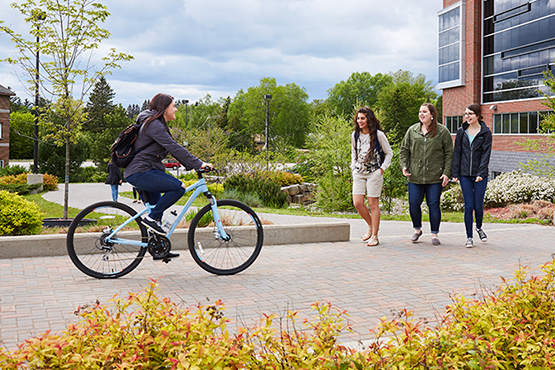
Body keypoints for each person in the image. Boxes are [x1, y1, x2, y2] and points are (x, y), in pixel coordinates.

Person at [124, 93, 212, 239]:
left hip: (143, 171)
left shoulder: (156, 125)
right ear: (164, 109)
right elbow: (174, 147)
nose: (176, 109)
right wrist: (199, 164)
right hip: (141, 171)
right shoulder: (154, 125)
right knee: (178, 188)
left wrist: (193, 164)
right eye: (174, 106)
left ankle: (158, 247)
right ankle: (152, 219)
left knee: (157, 210)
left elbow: (174, 150)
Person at [400, 103, 453, 245]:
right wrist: (404, 166)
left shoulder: (442, 131)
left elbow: (449, 154)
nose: (421, 114)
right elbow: (404, 150)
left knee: (433, 204)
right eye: (420, 112)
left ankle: (435, 234)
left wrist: (447, 173)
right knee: (413, 204)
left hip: (435, 176)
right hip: (415, 176)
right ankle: (417, 230)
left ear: (432, 115)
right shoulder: (412, 130)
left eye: (424, 112)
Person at [351, 107, 393, 247]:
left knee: (373, 204)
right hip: (359, 173)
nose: (360, 121)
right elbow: (353, 152)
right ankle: (370, 225)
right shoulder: (355, 135)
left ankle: (375, 235)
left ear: (369, 119)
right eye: (358, 118)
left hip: (374, 173)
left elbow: (389, 153)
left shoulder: (378, 135)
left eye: (362, 118)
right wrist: (353, 167)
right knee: (357, 203)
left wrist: (382, 169)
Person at [451, 104, 492, 248]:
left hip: (480, 175)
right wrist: (455, 173)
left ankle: (479, 228)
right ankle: (469, 237)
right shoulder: (462, 131)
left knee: (478, 206)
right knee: (468, 206)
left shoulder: (485, 133)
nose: (467, 116)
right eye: (465, 113)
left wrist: (481, 173)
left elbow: (485, 155)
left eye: (470, 114)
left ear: (478, 116)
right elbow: (457, 153)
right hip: (464, 175)